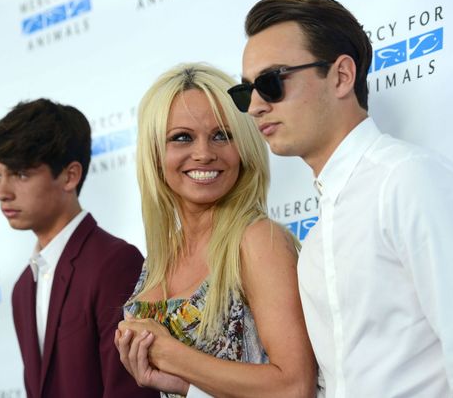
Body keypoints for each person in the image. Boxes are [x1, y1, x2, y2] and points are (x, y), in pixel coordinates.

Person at [227, 0, 453, 398]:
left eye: (271, 83)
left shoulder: (411, 183)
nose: (256, 107)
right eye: (246, 92)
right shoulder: (317, 240)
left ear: (341, 76)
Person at [114, 63, 317, 398]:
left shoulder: (257, 241)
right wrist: (178, 384)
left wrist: (173, 356)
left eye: (222, 135)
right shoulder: (159, 259)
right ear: (154, 153)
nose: (204, 154)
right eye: (182, 137)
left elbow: (294, 387)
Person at [0, 98, 157, 398]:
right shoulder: (23, 287)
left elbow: (131, 390)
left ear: (69, 175)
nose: (2, 192)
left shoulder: (115, 263)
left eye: (21, 173)